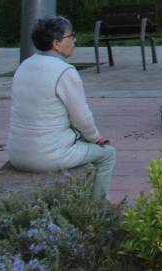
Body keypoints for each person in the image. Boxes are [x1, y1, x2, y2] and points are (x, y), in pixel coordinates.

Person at [8, 17, 117, 201]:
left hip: (17, 153)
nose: (74, 40)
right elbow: (82, 119)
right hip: (47, 155)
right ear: (56, 44)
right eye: (71, 36)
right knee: (108, 155)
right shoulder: (64, 71)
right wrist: (96, 138)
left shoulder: (24, 66)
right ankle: (100, 210)